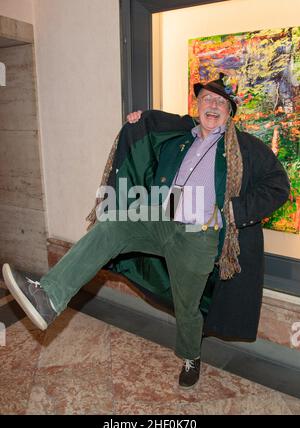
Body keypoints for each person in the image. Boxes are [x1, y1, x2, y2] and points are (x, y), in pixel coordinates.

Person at [2, 73, 290, 389]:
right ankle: (49, 297)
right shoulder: (181, 134)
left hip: (202, 231)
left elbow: (278, 185)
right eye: (207, 98)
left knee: (187, 306)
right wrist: (139, 120)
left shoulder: (245, 147)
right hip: (162, 213)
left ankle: (190, 355)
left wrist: (234, 210)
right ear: (197, 104)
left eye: (221, 102)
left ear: (230, 112)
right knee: (111, 225)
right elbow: (154, 125)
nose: (212, 105)